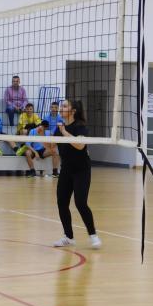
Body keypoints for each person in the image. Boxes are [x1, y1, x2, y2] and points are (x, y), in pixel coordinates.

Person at [52, 100, 101, 249]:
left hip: (81, 170)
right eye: (61, 106)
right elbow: (51, 147)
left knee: (80, 202)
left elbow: (80, 146)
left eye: (65, 106)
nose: (61, 108)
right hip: (66, 170)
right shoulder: (59, 129)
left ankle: (93, 235)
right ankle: (68, 237)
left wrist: (64, 132)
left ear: (73, 111)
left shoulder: (80, 127)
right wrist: (41, 135)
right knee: (61, 202)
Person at [42, 101, 63, 177]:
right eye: (52, 107)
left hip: (56, 137)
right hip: (48, 137)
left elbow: (61, 129)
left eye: (55, 107)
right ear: (50, 108)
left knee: (55, 149)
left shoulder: (60, 118)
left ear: (58, 109)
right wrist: (49, 133)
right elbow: (43, 129)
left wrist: (53, 133)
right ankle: (52, 170)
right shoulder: (46, 117)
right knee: (54, 149)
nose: (54, 109)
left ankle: (55, 171)